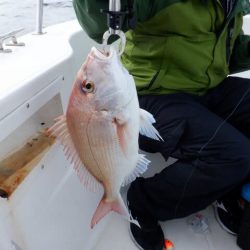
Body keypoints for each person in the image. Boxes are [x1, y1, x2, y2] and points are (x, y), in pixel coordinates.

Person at [73, 0, 250, 249]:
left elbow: (227, 52)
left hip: (209, 88)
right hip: (153, 97)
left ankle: (225, 191)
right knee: (237, 155)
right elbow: (97, 20)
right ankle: (143, 203)